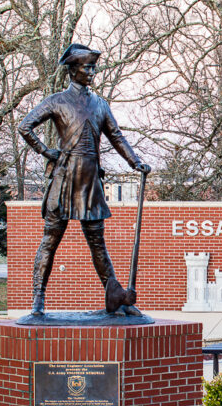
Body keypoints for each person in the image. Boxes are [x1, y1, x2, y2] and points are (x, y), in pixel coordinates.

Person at [18, 43, 151, 316]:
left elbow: (116, 136)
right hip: (65, 177)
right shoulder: (57, 101)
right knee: (50, 240)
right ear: (72, 71)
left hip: (90, 180)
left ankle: (116, 297)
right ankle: (38, 299)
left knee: (97, 242)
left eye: (93, 67)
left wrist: (135, 162)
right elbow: (25, 126)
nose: (92, 72)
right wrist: (46, 151)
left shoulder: (100, 104)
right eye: (86, 67)